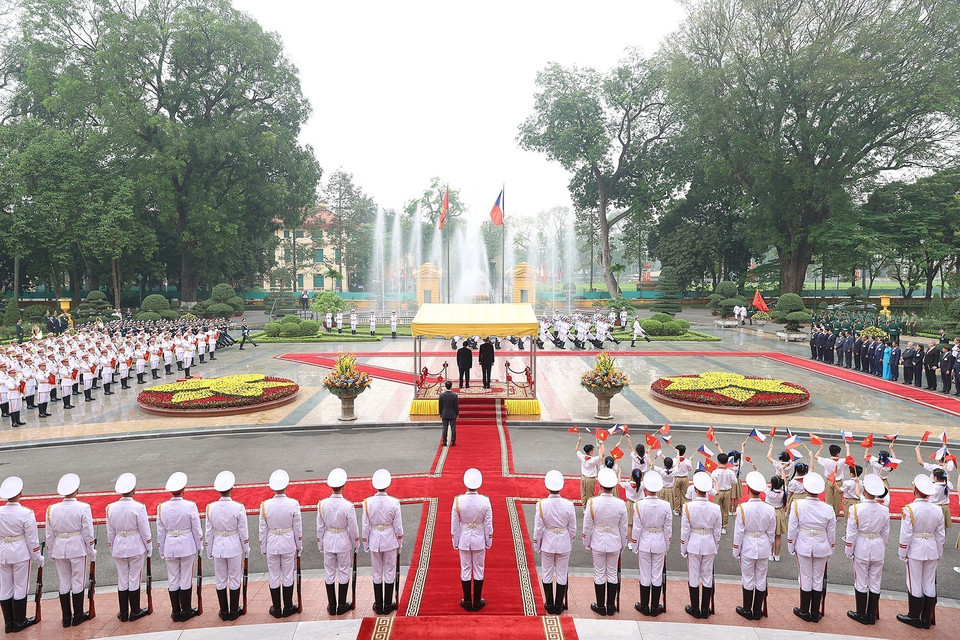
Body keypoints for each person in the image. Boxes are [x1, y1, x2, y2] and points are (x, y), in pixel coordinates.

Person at [46, 473, 95, 628]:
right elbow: (88, 532)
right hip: (77, 546)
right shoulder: (83, 507)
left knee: (63, 581)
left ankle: (66, 617)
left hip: (59, 547)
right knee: (78, 580)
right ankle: (78, 615)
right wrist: (91, 548)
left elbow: (49, 534)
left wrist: (50, 551)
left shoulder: (52, 509)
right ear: (77, 490)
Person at [896, 474, 945, 628]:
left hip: (915, 549)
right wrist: (939, 553)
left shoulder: (910, 509)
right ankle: (925, 619)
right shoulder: (937, 510)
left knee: (914, 582)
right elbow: (940, 535)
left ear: (915, 491)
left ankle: (914, 616)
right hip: (931, 548)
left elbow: (906, 534)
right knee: (929, 582)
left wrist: (902, 552)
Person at [787, 472, 835, 623]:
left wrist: (791, 544)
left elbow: (792, 527)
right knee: (818, 578)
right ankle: (815, 612)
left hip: (804, 544)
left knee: (805, 576)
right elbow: (831, 532)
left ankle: (804, 610)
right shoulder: (828, 508)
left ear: (806, 489)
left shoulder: (797, 504)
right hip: (822, 545)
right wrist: (830, 548)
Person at [156, 472, 202, 622]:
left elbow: (160, 531)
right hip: (187, 544)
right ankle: (186, 610)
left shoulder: (162, 507)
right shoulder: (190, 506)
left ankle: (176, 612)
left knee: (173, 578)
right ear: (183, 489)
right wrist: (200, 546)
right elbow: (196, 529)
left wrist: (161, 549)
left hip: (170, 545)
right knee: (186, 578)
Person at [105, 473, 151, 623]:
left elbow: (110, 532)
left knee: (122, 578)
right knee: (134, 577)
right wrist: (148, 546)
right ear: (133, 490)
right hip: (135, 545)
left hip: (119, 545)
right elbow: (144, 530)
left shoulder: (110, 508)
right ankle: (135, 611)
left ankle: (123, 612)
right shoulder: (139, 507)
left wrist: (113, 546)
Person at [845, 474, 889, 625]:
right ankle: (871, 615)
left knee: (861, 580)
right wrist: (882, 546)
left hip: (862, 546)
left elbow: (851, 533)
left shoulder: (856, 508)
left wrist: (849, 550)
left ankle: (861, 613)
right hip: (877, 544)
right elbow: (885, 533)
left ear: (864, 490)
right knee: (875, 581)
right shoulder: (884, 510)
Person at [0, 476, 43, 633]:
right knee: (20, 586)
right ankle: (19, 621)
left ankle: (8, 623)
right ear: (20, 493)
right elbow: (32, 538)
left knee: (5, 586)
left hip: (3, 552)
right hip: (20, 552)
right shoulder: (26, 513)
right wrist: (37, 556)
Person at [205, 471, 249, 621]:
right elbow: (243, 531)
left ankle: (224, 611)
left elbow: (209, 532)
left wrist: (209, 550)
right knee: (235, 578)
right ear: (232, 489)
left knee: (220, 579)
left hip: (218, 546)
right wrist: (246, 549)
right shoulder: (238, 507)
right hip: (234, 545)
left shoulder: (211, 507)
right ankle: (234, 611)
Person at [583, 468, 627, 617]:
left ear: (600, 486)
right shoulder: (620, 504)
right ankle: (611, 606)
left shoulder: (592, 502)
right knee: (612, 573)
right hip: (614, 541)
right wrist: (622, 545)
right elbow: (623, 528)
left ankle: (601, 606)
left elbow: (587, 526)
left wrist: (587, 542)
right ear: (614, 487)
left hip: (598, 540)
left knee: (600, 573)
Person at [733, 472, 776, 620]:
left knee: (748, 577)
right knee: (761, 578)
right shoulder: (770, 509)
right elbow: (771, 532)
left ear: (748, 489)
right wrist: (768, 546)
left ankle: (747, 610)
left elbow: (739, 532)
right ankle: (757, 611)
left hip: (748, 545)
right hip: (763, 544)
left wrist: (736, 549)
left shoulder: (742, 508)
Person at [533, 470, 576, 615]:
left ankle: (550, 603)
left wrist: (537, 544)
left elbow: (538, 528)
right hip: (563, 541)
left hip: (548, 541)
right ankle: (559, 604)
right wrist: (569, 540)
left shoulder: (541, 504)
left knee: (547, 572)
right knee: (562, 573)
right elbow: (573, 528)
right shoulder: (569, 505)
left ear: (547, 487)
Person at [260, 470, 302, 618]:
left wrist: (263, 547)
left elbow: (262, 529)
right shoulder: (293, 504)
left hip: (272, 542)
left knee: (274, 575)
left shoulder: (265, 505)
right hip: (288, 542)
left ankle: (277, 608)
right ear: (286, 486)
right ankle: (288, 606)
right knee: (288, 574)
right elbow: (297, 528)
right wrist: (299, 546)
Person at [680, 471, 722, 619]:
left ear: (695, 489)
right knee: (707, 576)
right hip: (709, 542)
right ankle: (705, 609)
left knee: (693, 575)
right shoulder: (715, 508)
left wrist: (683, 548)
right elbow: (717, 531)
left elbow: (685, 531)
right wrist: (715, 546)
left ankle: (695, 608)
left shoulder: (688, 507)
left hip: (693, 542)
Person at [317, 468, 359, 616]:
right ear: (343, 486)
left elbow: (320, 527)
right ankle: (342, 605)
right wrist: (356, 544)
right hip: (343, 541)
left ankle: (332, 605)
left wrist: (320, 543)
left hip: (328, 540)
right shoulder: (348, 505)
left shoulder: (322, 504)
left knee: (329, 572)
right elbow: (353, 528)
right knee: (343, 571)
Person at [362, 469, 403, 615]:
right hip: (390, 539)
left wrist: (366, 543)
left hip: (374, 539)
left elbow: (365, 526)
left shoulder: (367, 502)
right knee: (390, 571)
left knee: (377, 571)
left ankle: (379, 604)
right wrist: (400, 543)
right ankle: (388, 604)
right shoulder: (394, 502)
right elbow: (398, 526)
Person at [631, 471, 671, 617]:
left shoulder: (639, 504)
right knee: (657, 574)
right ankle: (654, 607)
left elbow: (636, 528)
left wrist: (634, 545)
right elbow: (668, 529)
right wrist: (666, 545)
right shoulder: (666, 505)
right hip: (659, 540)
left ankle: (644, 605)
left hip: (644, 540)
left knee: (645, 573)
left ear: (646, 488)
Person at [452, 468, 492, 612]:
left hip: (464, 537)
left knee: (465, 568)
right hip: (479, 537)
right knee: (479, 568)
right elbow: (488, 524)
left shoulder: (458, 501)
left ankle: (467, 601)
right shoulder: (485, 501)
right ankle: (478, 600)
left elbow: (454, 524)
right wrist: (488, 540)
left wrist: (455, 540)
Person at [811, 443, 844, 517]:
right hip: (838, 482)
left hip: (829, 481)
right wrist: (847, 448)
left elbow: (816, 456)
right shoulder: (841, 461)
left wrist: (820, 449)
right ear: (838, 454)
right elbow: (849, 458)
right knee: (837, 500)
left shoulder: (826, 461)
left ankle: (828, 513)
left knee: (828, 498)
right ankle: (836, 515)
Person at [712, 453, 737, 533]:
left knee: (715, 508)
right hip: (727, 491)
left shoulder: (715, 472)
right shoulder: (730, 472)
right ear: (727, 462)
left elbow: (711, 483)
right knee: (725, 509)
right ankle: (724, 526)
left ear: (718, 461)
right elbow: (735, 482)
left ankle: (714, 525)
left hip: (717, 492)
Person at [577, 436, 604, 507]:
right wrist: (600, 447)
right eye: (593, 450)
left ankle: (584, 507)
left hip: (583, 478)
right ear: (591, 452)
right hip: (590, 479)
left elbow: (577, 450)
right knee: (590, 495)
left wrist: (579, 442)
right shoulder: (593, 460)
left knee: (583, 494)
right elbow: (602, 456)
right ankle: (589, 508)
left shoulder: (582, 457)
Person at [438, 381, 459, 447]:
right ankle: (453, 442)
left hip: (444, 413)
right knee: (453, 428)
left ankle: (444, 442)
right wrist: (457, 413)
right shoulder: (454, 395)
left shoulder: (441, 395)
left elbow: (440, 405)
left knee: (445, 428)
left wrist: (440, 413)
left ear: (445, 386)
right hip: (452, 414)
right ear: (451, 386)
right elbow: (456, 406)